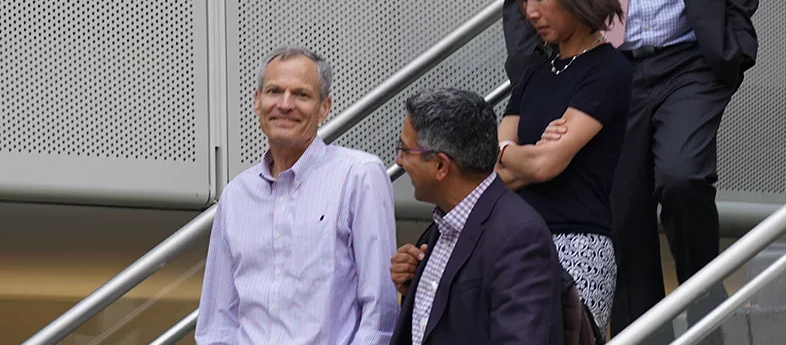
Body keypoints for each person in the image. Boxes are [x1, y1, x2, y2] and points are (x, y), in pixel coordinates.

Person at [503, 0, 759, 341]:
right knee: (623, 216)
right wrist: (539, 74)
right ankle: (647, 335)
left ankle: (704, 303)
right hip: (601, 68)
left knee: (683, 177)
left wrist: (734, 47)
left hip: (686, 61)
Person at [195, 47, 398, 345]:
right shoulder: (236, 195)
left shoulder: (359, 175)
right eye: (274, 91)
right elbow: (217, 320)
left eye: (301, 95)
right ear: (257, 101)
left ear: (325, 108)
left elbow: (380, 313)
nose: (285, 104)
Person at [496, 0, 631, 330]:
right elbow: (494, 172)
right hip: (517, 242)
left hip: (577, 246)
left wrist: (517, 155)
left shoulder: (607, 69)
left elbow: (542, 166)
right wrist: (523, 155)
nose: (530, 12)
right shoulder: (535, 72)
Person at [389, 88, 561, 345]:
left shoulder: (519, 235)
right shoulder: (448, 221)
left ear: (440, 165)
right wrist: (418, 286)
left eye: (405, 149)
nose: (398, 161)